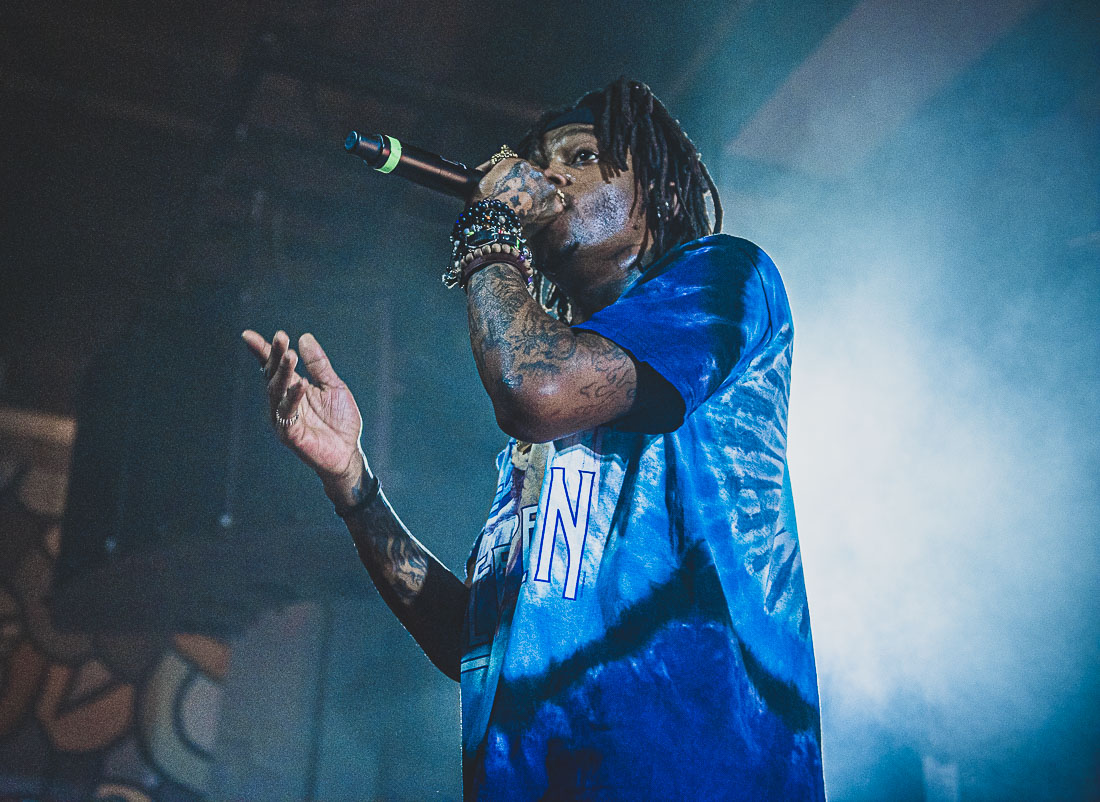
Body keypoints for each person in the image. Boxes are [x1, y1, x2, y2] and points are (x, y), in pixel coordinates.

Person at [242, 77, 825, 801]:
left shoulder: (724, 280)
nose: (549, 177)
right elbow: (473, 646)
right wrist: (353, 485)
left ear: (661, 191)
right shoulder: (543, 443)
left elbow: (532, 388)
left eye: (581, 157)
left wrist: (489, 226)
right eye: (539, 162)